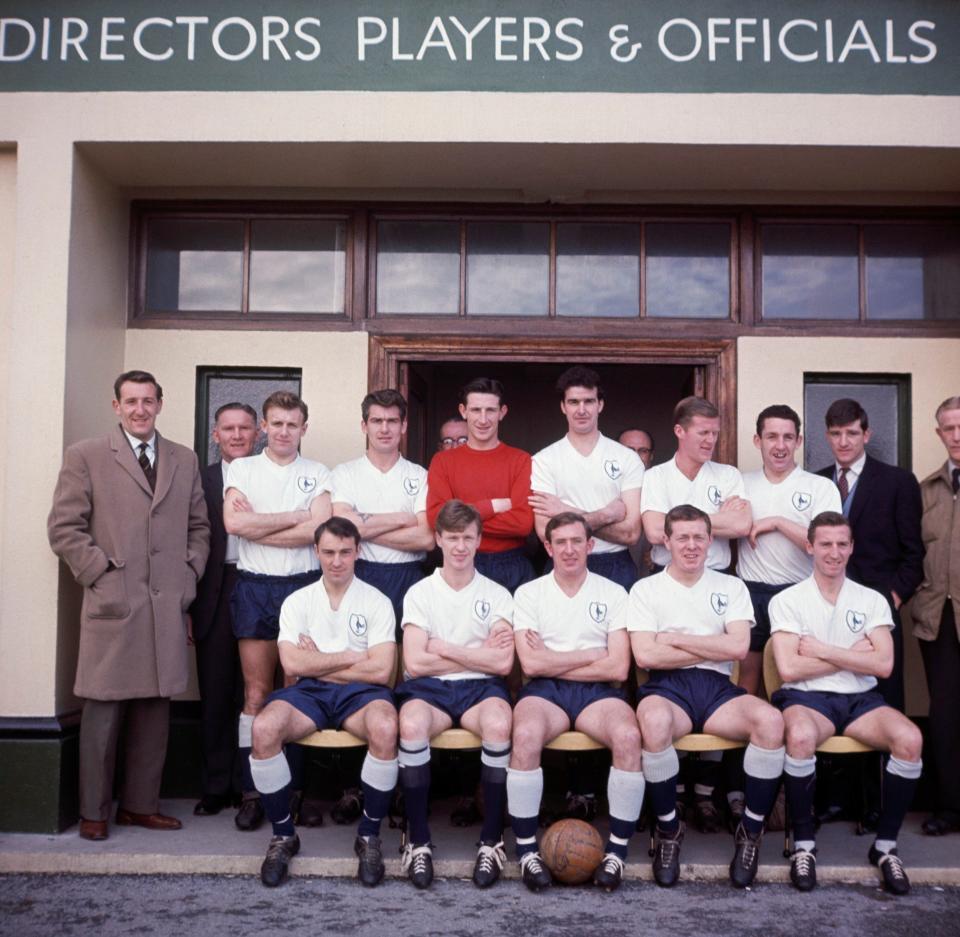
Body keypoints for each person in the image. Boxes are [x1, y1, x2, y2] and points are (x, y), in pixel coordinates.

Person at [48, 370, 210, 841]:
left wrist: (188, 575)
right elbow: (64, 528)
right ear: (116, 406)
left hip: (166, 604)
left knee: (155, 710)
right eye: (131, 401)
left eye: (148, 400)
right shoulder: (87, 455)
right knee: (102, 711)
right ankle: (94, 812)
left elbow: (199, 527)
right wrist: (99, 573)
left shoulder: (183, 457)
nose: (140, 409)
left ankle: (140, 806)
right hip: (113, 603)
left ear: (161, 403)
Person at [629, 505, 785, 890]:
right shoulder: (646, 589)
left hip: (716, 688)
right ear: (665, 541)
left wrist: (677, 638)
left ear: (710, 539)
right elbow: (647, 656)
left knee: (770, 722)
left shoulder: (730, 587)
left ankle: (749, 833)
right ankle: (669, 831)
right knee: (653, 722)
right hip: (667, 686)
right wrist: (711, 646)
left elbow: (738, 647)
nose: (692, 545)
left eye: (700, 536)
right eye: (682, 537)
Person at [769, 511, 923, 895]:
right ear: (810, 547)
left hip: (860, 700)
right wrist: (852, 654)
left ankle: (886, 847)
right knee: (801, 736)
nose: (834, 553)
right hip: (806, 699)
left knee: (910, 739)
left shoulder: (872, 599)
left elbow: (884, 664)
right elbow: (789, 668)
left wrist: (821, 650)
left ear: (852, 547)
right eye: (825, 544)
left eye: (842, 544)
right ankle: (804, 845)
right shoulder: (788, 600)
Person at [248, 517, 398, 888]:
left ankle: (369, 835)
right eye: (328, 552)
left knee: (385, 726)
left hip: (361, 695)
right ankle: (284, 834)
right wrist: (352, 657)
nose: (336, 561)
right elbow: (293, 664)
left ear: (357, 552)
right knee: (264, 728)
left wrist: (323, 662)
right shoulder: (298, 601)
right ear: (316, 552)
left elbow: (381, 671)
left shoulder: (376, 601)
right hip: (308, 693)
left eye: (345, 552)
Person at [508, 512, 645, 893]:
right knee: (526, 735)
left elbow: (618, 668)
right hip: (545, 692)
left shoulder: (613, 593)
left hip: (598, 694)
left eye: (576, 542)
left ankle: (617, 852)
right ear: (548, 548)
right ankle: (527, 852)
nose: (569, 550)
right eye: (560, 543)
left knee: (629, 737)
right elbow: (532, 665)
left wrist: (555, 658)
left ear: (591, 545)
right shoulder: (529, 593)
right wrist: (590, 655)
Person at [640, 397, 752, 832]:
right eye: (703, 432)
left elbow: (742, 526)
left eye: (715, 432)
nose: (711, 440)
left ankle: (704, 797)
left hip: (718, 578)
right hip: (667, 577)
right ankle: (670, 798)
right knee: (668, 687)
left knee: (715, 676)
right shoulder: (656, 476)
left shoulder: (727, 475)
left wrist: (685, 525)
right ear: (680, 431)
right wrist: (713, 521)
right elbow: (652, 532)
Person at [223, 391, 332, 831]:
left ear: (304, 428)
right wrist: (294, 518)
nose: (285, 431)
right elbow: (234, 525)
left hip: (304, 589)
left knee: (298, 691)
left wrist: (260, 526)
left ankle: (294, 793)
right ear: (264, 427)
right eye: (277, 423)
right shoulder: (243, 468)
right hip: (254, 588)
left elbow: (321, 529)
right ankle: (253, 793)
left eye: (293, 424)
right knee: (255, 694)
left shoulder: (318, 472)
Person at [395, 500, 515, 890]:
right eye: (452, 538)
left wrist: (444, 648)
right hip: (431, 690)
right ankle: (418, 841)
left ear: (479, 540)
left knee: (499, 722)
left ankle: (492, 840)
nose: (460, 546)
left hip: (481, 688)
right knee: (411, 723)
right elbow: (414, 661)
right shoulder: (420, 592)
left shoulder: (497, 594)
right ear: (438, 540)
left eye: (467, 538)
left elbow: (502, 665)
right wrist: (476, 654)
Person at [816, 398, 923, 712]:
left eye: (851, 433)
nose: (843, 441)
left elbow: (915, 552)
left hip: (879, 606)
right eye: (836, 434)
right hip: (826, 606)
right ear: (827, 436)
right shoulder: (816, 481)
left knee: (884, 698)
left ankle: (888, 761)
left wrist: (893, 598)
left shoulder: (898, 482)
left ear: (867, 434)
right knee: (828, 688)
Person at [737, 406, 841, 696]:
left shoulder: (820, 487)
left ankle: (791, 739)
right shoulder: (740, 483)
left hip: (799, 593)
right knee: (748, 681)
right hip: (750, 592)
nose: (780, 446)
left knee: (794, 680)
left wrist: (778, 522)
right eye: (772, 437)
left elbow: (823, 545)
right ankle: (752, 742)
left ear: (799, 441)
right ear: (758, 441)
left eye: (787, 437)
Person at [190, 402, 259, 817]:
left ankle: (252, 787)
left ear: (258, 433)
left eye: (244, 428)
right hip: (214, 589)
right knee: (216, 691)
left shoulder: (274, 474)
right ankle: (217, 786)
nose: (236, 435)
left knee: (255, 693)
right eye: (228, 429)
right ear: (215, 435)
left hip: (260, 584)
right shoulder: (201, 480)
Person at [530, 365, 644, 592]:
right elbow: (545, 531)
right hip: (563, 563)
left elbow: (631, 533)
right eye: (573, 402)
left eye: (588, 401)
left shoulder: (627, 458)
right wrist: (607, 515)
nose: (581, 410)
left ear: (600, 404)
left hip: (615, 564)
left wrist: (564, 512)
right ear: (563, 406)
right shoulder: (543, 460)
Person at [333, 389, 432, 634]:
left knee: (405, 659)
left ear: (404, 425)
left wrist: (363, 530)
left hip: (408, 577)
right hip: (360, 573)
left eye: (392, 421)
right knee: (362, 654)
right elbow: (340, 527)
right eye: (377, 421)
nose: (384, 429)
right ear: (364, 426)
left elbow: (426, 538)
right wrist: (401, 519)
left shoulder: (420, 476)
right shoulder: (344, 474)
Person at [427, 377, 534, 593]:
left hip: (512, 566)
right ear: (464, 411)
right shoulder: (443, 461)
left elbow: (523, 523)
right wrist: (491, 506)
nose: (483, 419)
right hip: (460, 562)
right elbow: (437, 518)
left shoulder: (521, 460)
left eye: (490, 410)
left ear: (502, 412)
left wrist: (460, 519)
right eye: (476, 410)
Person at [908, 395, 960, 836]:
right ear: (939, 433)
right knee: (944, 715)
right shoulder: (927, 490)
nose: (956, 435)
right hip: (937, 618)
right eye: (949, 428)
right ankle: (950, 806)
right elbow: (914, 552)